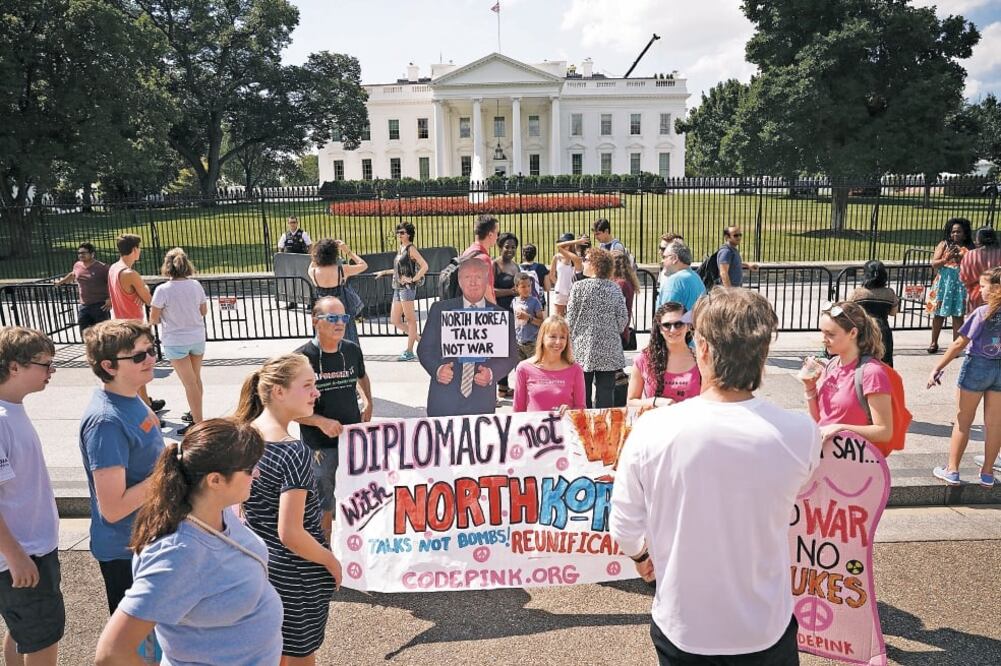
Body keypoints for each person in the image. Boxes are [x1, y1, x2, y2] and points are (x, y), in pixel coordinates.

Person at [610, 288, 821, 664]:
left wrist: (642, 556)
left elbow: (625, 528)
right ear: (763, 353)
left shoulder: (652, 429)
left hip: (684, 623)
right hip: (764, 625)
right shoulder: (800, 433)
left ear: (703, 349)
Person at [94, 420, 283, 666]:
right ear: (215, 480)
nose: (256, 473)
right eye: (249, 469)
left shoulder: (217, 512)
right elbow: (111, 653)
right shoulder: (178, 555)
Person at [236, 354, 340, 665]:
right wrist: (330, 561)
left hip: (260, 567)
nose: (316, 393)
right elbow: (291, 532)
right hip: (297, 575)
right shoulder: (293, 451)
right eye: (307, 385)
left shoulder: (244, 435)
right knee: (298, 657)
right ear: (279, 392)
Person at [78, 320, 165, 614]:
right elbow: (113, 508)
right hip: (125, 552)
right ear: (109, 366)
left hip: (145, 542)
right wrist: (170, 470)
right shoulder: (106, 422)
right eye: (139, 356)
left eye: (151, 351)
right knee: (135, 650)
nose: (151, 359)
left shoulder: (132, 397)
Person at [0, 328, 63, 666]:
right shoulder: (2, 420)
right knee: (42, 637)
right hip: (24, 554)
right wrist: (16, 556)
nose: (51, 372)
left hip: (28, 550)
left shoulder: (11, 410)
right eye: (45, 365)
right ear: (14, 367)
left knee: (24, 631)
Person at [295, 296, 372, 540]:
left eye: (344, 318)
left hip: (352, 441)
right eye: (333, 318)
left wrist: (369, 401)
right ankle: (324, 550)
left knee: (357, 499)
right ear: (315, 321)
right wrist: (320, 421)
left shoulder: (351, 350)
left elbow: (361, 376)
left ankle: (354, 551)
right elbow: (289, 409)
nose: (340, 323)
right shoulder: (301, 359)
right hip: (319, 447)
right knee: (323, 502)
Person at [417, 257, 518, 417]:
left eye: (478, 277)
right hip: (444, 400)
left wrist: (491, 374)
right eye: (467, 277)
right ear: (459, 280)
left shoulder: (501, 316)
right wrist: (437, 370)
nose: (473, 282)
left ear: (486, 280)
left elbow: (511, 356)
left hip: (481, 402)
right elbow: (424, 349)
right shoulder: (440, 310)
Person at [928, 267, 1001, 487]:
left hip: (976, 366)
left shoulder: (982, 313)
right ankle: (987, 473)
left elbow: (960, 342)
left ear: (996, 288)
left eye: (984, 286)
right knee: (995, 424)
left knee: (963, 421)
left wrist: (938, 367)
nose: (980, 290)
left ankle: (953, 470)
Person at [800, 301, 895, 443]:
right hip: (826, 457)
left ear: (853, 333)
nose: (823, 340)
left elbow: (884, 431)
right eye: (822, 332)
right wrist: (809, 387)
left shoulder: (872, 372)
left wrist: (841, 428)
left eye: (830, 334)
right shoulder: (832, 365)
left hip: (854, 461)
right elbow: (820, 422)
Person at [149, 248, 207, 436]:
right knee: (196, 379)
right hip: (196, 336)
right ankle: (196, 413)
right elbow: (203, 311)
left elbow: (154, 318)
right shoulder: (196, 285)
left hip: (175, 339)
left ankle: (198, 423)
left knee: (189, 383)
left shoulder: (163, 290)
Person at [565, 248, 629, 408]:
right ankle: (603, 429)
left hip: (582, 350)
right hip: (609, 349)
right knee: (606, 397)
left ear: (595, 264)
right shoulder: (614, 288)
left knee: (581, 396)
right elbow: (622, 320)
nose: (583, 262)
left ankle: (583, 429)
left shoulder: (578, 287)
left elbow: (570, 320)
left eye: (586, 260)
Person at [108, 234, 163, 414]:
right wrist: (144, 289)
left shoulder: (114, 269)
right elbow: (149, 299)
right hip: (134, 327)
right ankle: (144, 409)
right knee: (139, 370)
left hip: (121, 323)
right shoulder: (130, 273)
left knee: (136, 369)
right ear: (134, 250)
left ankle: (146, 402)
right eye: (139, 248)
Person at [627, 302, 702, 411]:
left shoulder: (701, 359)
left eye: (679, 324)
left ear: (688, 326)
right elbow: (631, 401)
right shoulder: (644, 359)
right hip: (657, 425)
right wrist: (655, 401)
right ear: (660, 329)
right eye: (667, 325)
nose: (673, 330)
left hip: (692, 425)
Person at [374, 222, 428, 361]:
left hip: (407, 289)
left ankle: (409, 351)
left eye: (402, 232)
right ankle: (422, 341)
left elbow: (425, 266)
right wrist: (384, 272)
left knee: (410, 320)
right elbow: (399, 270)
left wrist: (413, 279)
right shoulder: (401, 248)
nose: (399, 234)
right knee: (395, 320)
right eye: (398, 232)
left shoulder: (411, 248)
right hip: (397, 287)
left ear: (408, 234)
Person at [513, 316, 586, 413]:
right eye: (553, 336)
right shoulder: (523, 368)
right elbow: (518, 411)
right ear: (542, 337)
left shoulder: (576, 369)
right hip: (533, 427)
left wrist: (571, 412)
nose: (558, 342)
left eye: (563, 337)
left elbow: (581, 408)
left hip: (564, 427)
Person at [926, 217, 974, 353]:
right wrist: (946, 259)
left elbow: (973, 266)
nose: (955, 234)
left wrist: (961, 258)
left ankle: (955, 346)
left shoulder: (970, 247)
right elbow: (934, 264)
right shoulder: (944, 245)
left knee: (958, 315)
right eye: (953, 232)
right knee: (938, 314)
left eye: (959, 232)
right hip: (943, 285)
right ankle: (933, 342)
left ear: (965, 233)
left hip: (960, 286)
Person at [308, 238, 368, 345]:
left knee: (323, 336)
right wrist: (347, 251)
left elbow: (312, 263)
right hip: (341, 306)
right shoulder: (341, 270)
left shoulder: (313, 272)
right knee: (347, 335)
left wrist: (317, 252)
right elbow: (363, 265)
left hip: (323, 308)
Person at [849, 260, 899, 366]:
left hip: (863, 331)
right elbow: (893, 312)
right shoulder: (889, 293)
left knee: (861, 363)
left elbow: (848, 311)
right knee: (884, 363)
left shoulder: (858, 293)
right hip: (883, 332)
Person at [54, 242, 112, 334]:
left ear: (92, 254)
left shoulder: (103, 268)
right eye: (79, 253)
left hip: (100, 306)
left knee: (103, 333)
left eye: (84, 253)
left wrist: (110, 299)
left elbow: (111, 283)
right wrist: (60, 282)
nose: (81, 255)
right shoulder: (77, 265)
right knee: (84, 332)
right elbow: (73, 274)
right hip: (84, 305)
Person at [494, 233, 521, 399]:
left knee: (511, 351)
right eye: (507, 247)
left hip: (513, 314)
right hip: (498, 314)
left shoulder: (515, 266)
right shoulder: (494, 265)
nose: (510, 250)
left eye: (513, 247)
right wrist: (509, 291)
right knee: (498, 353)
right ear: (500, 247)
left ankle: (504, 386)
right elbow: (488, 289)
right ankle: (495, 390)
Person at [511, 273, 546, 389]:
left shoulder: (535, 302)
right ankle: (522, 392)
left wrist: (528, 318)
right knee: (520, 371)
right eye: (523, 287)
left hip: (532, 343)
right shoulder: (514, 301)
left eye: (528, 286)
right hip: (518, 342)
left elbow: (542, 322)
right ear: (516, 288)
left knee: (534, 371)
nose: (526, 289)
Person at [960, 226, 1001, 312]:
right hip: (998, 295)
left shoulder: (970, 255)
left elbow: (963, 278)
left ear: (978, 239)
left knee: (977, 322)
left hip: (976, 295)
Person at [656, 240, 706, 311]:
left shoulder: (675, 281)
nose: (662, 261)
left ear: (675, 258)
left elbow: (666, 316)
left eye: (664, 257)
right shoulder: (696, 277)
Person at [462, 214, 500, 303]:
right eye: (497, 233)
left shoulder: (467, 252)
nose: (497, 237)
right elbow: (487, 293)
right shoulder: (484, 259)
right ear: (490, 234)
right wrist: (497, 311)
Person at [547, 232, 584, 317]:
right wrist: (559, 285)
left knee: (572, 317)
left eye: (566, 244)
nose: (563, 247)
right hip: (560, 292)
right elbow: (551, 275)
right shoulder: (557, 257)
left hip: (573, 292)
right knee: (558, 317)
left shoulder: (575, 258)